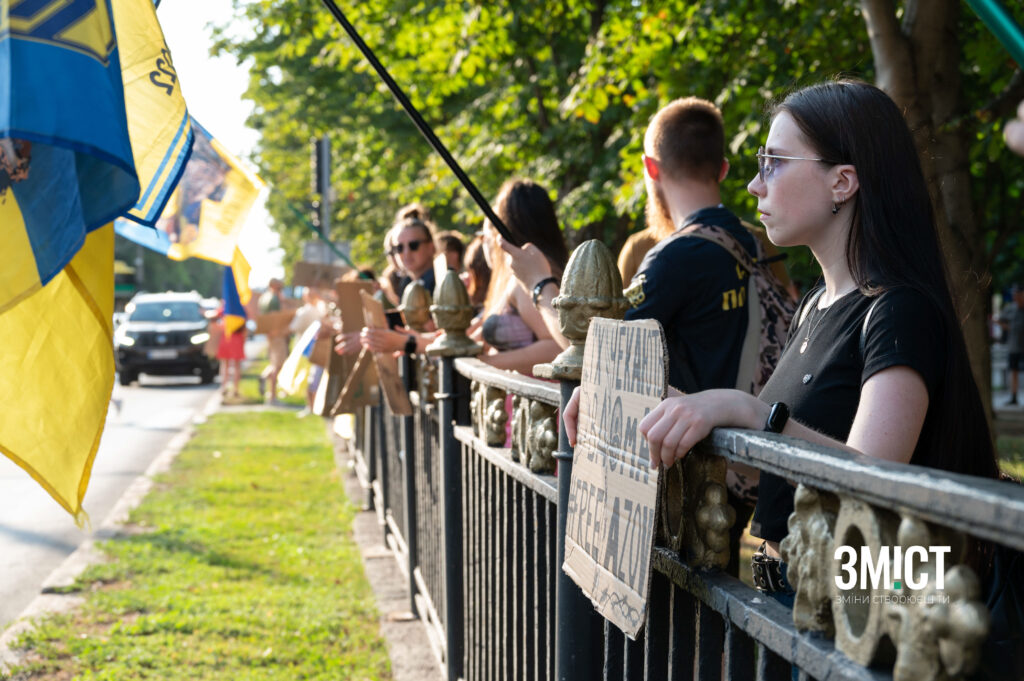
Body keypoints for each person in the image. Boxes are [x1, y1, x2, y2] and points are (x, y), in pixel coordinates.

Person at [565, 79, 1001, 603]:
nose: (754, 185)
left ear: (843, 182)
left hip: (864, 626)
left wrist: (749, 411)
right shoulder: (815, 305)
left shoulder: (897, 311)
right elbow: (766, 464)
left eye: (773, 161)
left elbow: (875, 481)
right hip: (792, 607)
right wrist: (646, 406)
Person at [473, 179, 569, 375]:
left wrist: (486, 364)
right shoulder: (552, 271)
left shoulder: (526, 280)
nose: (488, 239)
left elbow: (557, 347)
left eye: (491, 228)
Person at [392, 203, 438, 298]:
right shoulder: (406, 283)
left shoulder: (442, 282)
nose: (406, 253)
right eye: (399, 247)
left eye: (413, 245)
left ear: (431, 247)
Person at [258, 278, 288, 404]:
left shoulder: (264, 297)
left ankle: (265, 377)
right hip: (276, 334)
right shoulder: (274, 299)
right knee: (278, 364)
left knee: (275, 362)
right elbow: (276, 317)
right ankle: (272, 396)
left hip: (270, 334)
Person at [213, 303, 245, 398]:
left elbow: (215, 317)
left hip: (227, 337)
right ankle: (234, 389)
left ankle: (225, 387)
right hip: (236, 338)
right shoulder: (239, 307)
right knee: (235, 365)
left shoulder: (225, 306)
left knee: (226, 364)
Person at [999, 287, 1024, 406]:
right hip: (1014, 346)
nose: (1016, 297)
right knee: (1013, 371)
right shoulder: (1010, 308)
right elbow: (1000, 320)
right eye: (1015, 295)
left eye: (1019, 295)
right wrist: (1008, 328)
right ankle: (1013, 397)